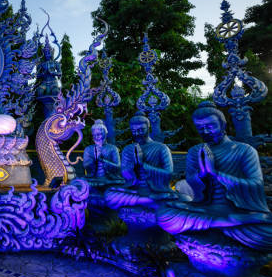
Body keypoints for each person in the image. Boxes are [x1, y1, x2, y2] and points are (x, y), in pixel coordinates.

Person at [157, 101, 272, 252]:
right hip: (206, 208)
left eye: (210, 126)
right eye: (200, 128)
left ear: (223, 125)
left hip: (236, 210)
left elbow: (255, 184)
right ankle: (226, 224)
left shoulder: (244, 150)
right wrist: (202, 175)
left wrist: (216, 174)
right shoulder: (195, 151)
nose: (205, 131)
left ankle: (221, 223)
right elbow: (192, 181)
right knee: (163, 215)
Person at [104, 111, 176, 209]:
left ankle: (147, 200)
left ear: (148, 127)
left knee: (183, 198)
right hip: (135, 189)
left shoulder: (161, 148)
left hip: (156, 189)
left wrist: (143, 165)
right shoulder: (128, 149)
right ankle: (148, 201)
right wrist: (134, 165)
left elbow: (168, 173)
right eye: (134, 131)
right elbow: (124, 173)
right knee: (109, 194)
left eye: (141, 130)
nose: (137, 133)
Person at [83, 119, 122, 187]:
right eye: (94, 135)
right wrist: (95, 159)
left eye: (99, 134)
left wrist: (103, 160)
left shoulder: (112, 148)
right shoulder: (89, 149)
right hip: (93, 180)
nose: (96, 137)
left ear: (105, 134)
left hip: (110, 180)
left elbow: (118, 167)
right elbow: (86, 166)